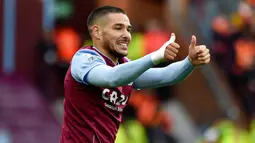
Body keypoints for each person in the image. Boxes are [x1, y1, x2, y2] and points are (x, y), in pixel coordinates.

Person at [60, 5, 210, 143]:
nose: (126, 35)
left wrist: (190, 62)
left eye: (128, 29)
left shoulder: (124, 66)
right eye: (118, 28)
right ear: (97, 31)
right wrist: (154, 57)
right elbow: (111, 78)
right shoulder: (84, 58)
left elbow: (167, 75)